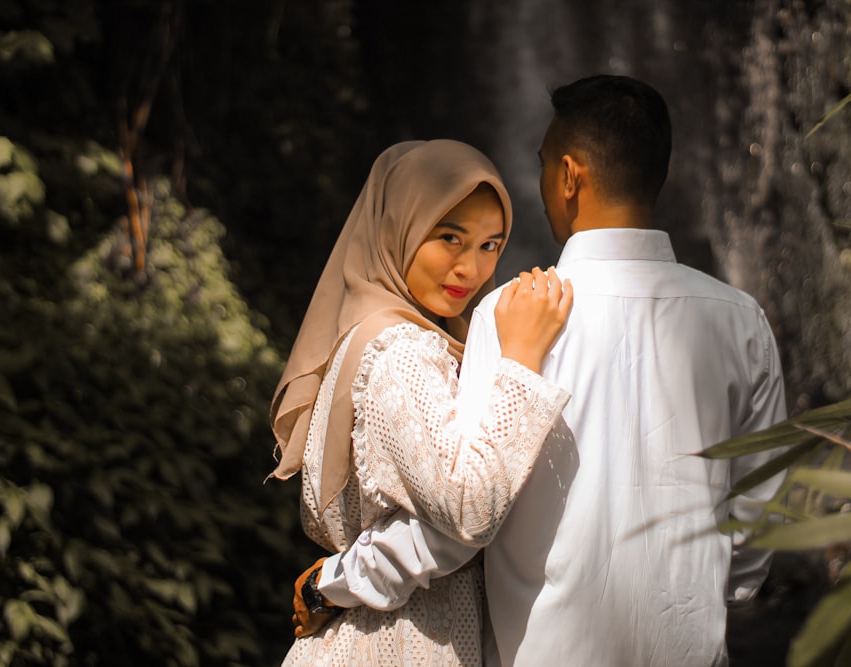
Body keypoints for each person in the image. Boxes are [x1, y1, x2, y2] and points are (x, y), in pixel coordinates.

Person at [313, 75, 789, 666]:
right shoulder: (742, 322)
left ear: (568, 176)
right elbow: (756, 525)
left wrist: (335, 582)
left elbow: (459, 525)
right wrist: (698, 594)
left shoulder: (510, 315)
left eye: (541, 165)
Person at [269, 138, 573, 666]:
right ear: (399, 229)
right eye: (449, 237)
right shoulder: (401, 350)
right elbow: (468, 511)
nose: (470, 269)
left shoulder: (387, 331)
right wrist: (523, 358)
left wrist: (332, 586)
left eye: (490, 245)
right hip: (398, 643)